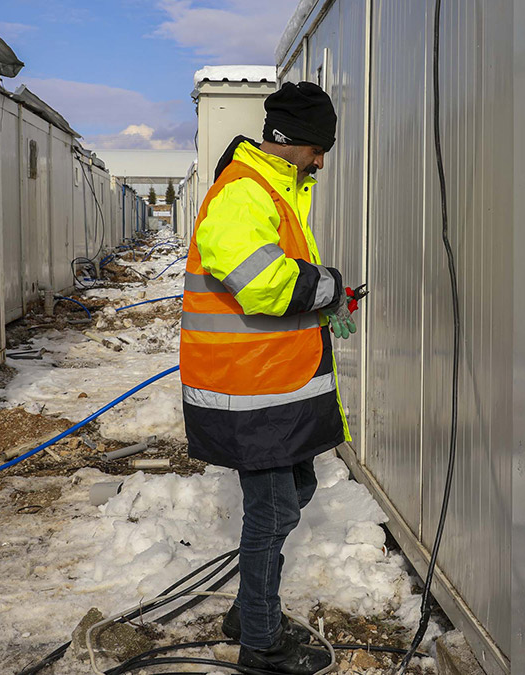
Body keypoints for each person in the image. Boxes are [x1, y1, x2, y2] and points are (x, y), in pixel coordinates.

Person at [179, 81, 359, 674]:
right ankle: (259, 640)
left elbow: (276, 277)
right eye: (318, 149)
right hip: (245, 390)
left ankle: (247, 607)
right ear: (296, 141)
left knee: (293, 494)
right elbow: (260, 283)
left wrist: (321, 298)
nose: (322, 161)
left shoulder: (276, 191)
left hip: (272, 385)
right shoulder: (242, 194)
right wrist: (327, 285)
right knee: (273, 509)